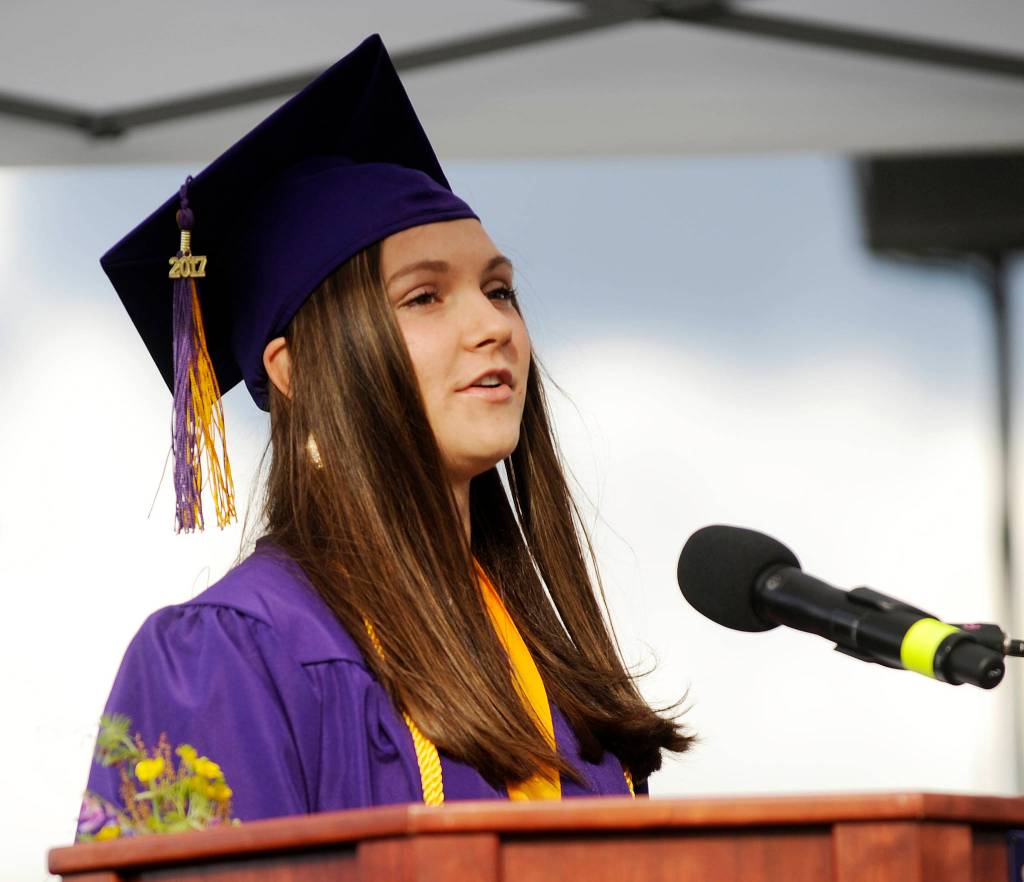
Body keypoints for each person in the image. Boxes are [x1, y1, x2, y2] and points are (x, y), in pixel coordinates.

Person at [77, 34, 691, 837]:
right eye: (424, 298)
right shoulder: (232, 657)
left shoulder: (553, 669)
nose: (492, 326)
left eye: (499, 290)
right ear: (296, 372)